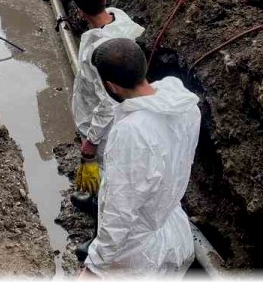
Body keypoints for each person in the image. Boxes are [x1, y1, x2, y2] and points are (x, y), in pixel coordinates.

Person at [79, 37, 200, 277]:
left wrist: (95, 266)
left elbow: (120, 211)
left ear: (111, 87)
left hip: (137, 252)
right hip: (170, 225)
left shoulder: (131, 132)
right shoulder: (185, 105)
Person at [69, 0, 145, 214]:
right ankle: (100, 197)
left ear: (81, 13)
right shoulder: (120, 19)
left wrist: (92, 141)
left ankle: (103, 209)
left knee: (106, 164)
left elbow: (107, 103)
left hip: (105, 124)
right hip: (127, 112)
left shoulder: (100, 53)